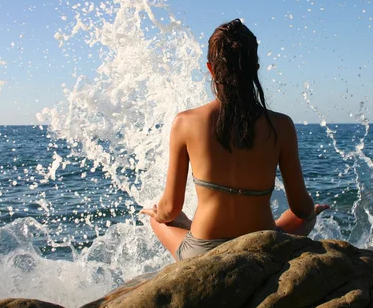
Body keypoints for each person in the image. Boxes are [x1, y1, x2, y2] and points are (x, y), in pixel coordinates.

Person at [140, 19, 328, 261]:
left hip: (203, 251)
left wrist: (161, 215)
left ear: (210, 69)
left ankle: (191, 224)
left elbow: (169, 210)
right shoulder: (281, 125)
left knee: (156, 220)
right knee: (304, 216)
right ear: (255, 67)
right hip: (264, 245)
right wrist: (309, 212)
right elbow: (301, 208)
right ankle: (194, 224)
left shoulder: (185, 122)